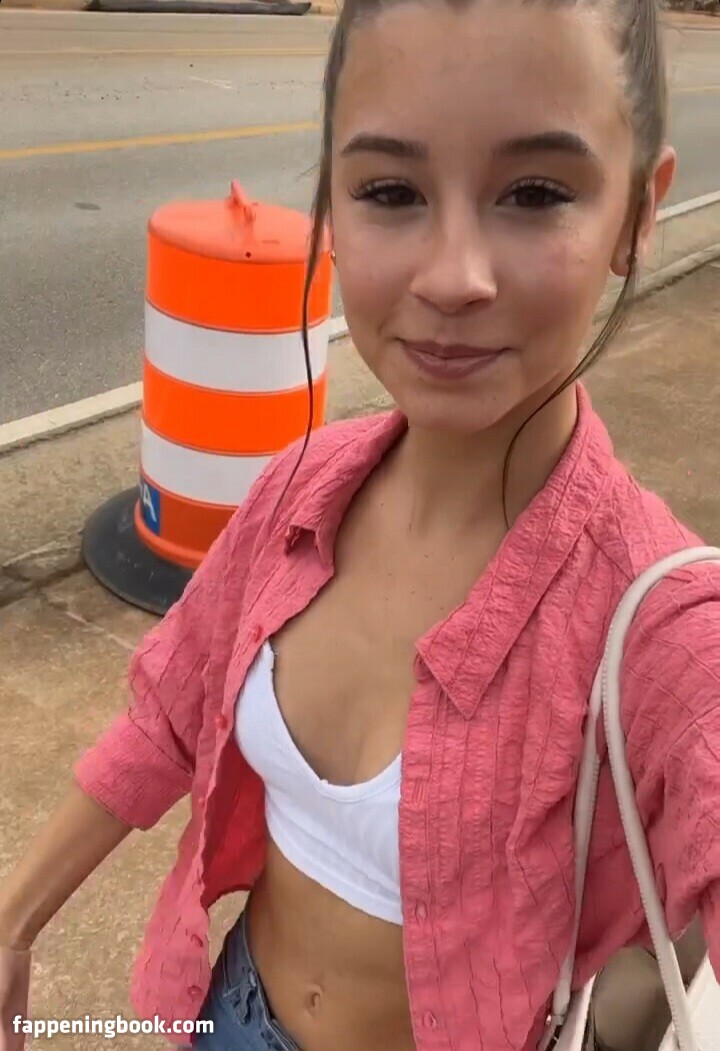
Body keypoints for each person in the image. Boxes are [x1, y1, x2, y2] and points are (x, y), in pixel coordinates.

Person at [2, 0, 720, 1049]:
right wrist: (15, 920)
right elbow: (166, 716)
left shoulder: (663, 627)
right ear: (332, 205)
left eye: (535, 193)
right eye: (390, 192)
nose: (452, 278)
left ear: (637, 215)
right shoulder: (300, 487)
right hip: (220, 1012)